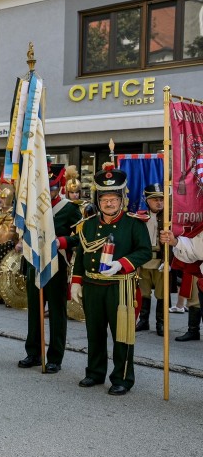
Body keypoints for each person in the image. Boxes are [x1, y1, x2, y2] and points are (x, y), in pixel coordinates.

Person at [71, 164, 151, 396]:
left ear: (122, 199)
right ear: (98, 200)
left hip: (120, 286)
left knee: (121, 335)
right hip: (93, 286)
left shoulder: (134, 223)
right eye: (104, 198)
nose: (109, 203)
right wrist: (76, 281)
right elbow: (81, 254)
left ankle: (122, 378)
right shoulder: (88, 224)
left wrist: (121, 263)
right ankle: (95, 373)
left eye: (114, 198)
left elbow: (144, 251)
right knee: (94, 332)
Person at [17, 163, 82, 373]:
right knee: (34, 311)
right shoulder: (30, 208)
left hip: (57, 264)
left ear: (59, 187)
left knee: (56, 312)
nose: (48, 191)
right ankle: (33, 352)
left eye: (52, 188)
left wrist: (62, 242)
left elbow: (81, 236)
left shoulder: (69, 208)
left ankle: (55, 356)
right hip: (34, 262)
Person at [160, 226, 203, 341]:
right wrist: (175, 242)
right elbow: (194, 248)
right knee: (194, 299)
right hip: (195, 264)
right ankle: (193, 330)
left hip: (196, 263)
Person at [136, 183, 166, 335]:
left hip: (161, 260)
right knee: (144, 292)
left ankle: (160, 323)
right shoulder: (139, 216)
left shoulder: (168, 217)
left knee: (162, 293)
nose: (159, 202)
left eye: (161, 199)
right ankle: (144, 320)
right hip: (144, 260)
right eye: (155, 199)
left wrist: (168, 261)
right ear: (147, 200)